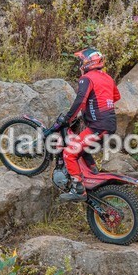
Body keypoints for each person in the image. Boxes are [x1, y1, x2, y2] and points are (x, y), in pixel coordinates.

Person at [45, 48, 121, 201]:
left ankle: (78, 188)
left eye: (81, 61)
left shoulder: (86, 78)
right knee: (82, 148)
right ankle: (93, 172)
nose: (80, 64)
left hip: (98, 127)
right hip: (108, 125)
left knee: (69, 153)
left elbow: (80, 100)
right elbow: (115, 97)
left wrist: (67, 119)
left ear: (88, 62)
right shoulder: (107, 78)